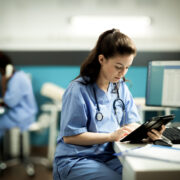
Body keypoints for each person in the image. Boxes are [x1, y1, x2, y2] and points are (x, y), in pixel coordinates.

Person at [53, 29, 165, 180]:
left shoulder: (120, 88)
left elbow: (131, 123)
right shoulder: (78, 90)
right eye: (118, 66)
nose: (123, 73)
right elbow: (70, 137)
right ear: (101, 59)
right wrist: (111, 136)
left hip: (109, 155)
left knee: (142, 176)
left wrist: (147, 132)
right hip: (77, 159)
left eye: (127, 67)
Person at [0, 52, 38, 138]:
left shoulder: (16, 80)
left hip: (22, 116)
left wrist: (4, 84)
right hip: (23, 114)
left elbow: (9, 103)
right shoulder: (20, 76)